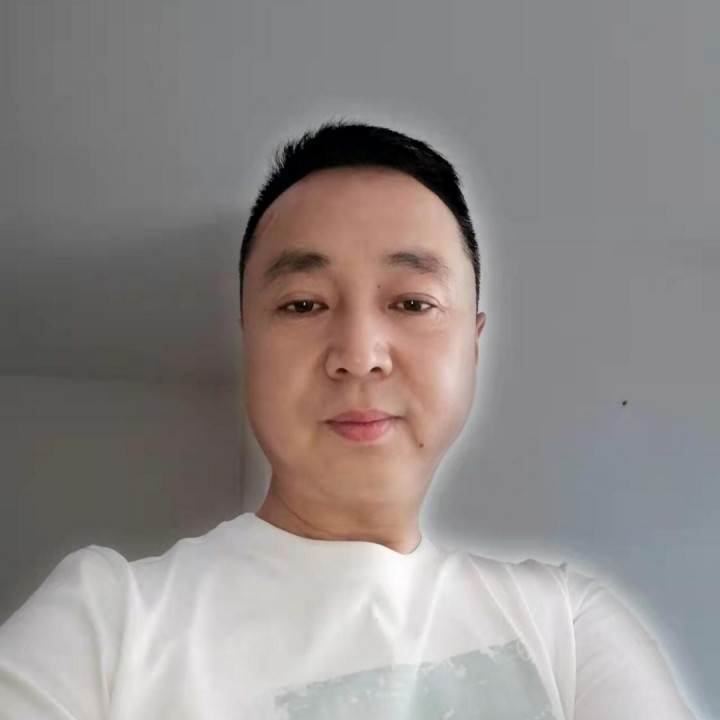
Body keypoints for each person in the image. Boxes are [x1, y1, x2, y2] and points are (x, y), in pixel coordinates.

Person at [0, 119, 698, 719]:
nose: (359, 355)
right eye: (303, 304)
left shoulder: (566, 629)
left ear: (473, 344)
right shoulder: (106, 623)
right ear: (248, 341)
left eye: (413, 303)